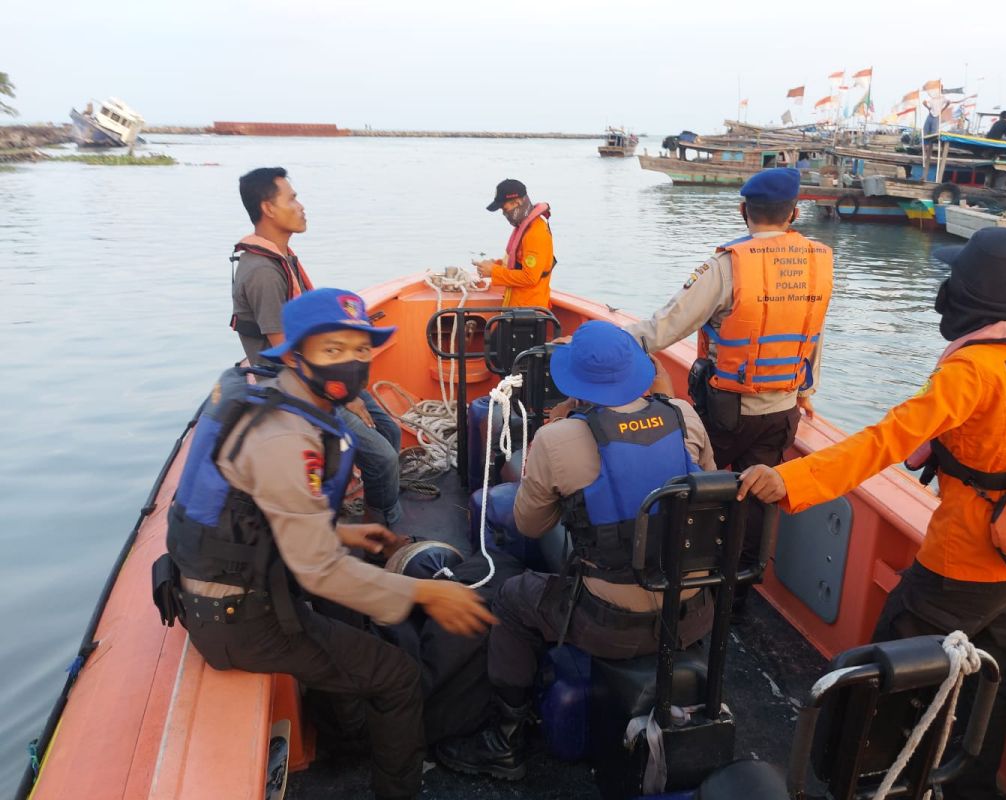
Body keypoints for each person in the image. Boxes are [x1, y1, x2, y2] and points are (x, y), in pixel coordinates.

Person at [738, 228, 1006, 800]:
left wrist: (789, 477)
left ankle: (856, 782)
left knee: (884, 670)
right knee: (991, 685)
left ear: (971, 288)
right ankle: (970, 790)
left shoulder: (972, 371)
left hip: (964, 563)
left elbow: (886, 441)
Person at [159, 288, 497, 800]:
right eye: (332, 350)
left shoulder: (280, 397)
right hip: (242, 616)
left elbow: (256, 512)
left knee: (355, 611)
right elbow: (318, 572)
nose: (353, 362)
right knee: (398, 676)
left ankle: (349, 732)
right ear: (295, 355)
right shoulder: (284, 435)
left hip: (244, 581)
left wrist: (341, 532)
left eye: (360, 350)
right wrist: (428, 594)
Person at [435, 321, 717, 780]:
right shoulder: (685, 416)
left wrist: (559, 435)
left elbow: (530, 522)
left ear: (574, 383)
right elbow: (707, 493)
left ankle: (503, 742)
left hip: (607, 626)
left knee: (512, 598)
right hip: (693, 613)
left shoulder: (558, 437)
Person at [624, 167, 833, 575]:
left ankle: (682, 577)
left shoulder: (728, 266)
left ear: (743, 211)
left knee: (694, 485)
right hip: (783, 410)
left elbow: (663, 328)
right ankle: (736, 593)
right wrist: (807, 392)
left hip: (727, 411)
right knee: (756, 496)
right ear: (794, 213)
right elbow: (814, 332)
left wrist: (609, 344)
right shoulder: (818, 262)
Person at [230, 167, 405, 531]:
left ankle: (379, 506)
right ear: (269, 208)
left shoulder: (283, 257)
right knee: (384, 457)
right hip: (296, 384)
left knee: (388, 428)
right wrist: (343, 395)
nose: (301, 205)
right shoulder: (263, 271)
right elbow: (285, 348)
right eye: (291, 198)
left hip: (318, 370)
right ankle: (382, 532)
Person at [473, 178, 556, 309]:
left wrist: (494, 272)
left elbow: (530, 277)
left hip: (529, 312)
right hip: (516, 308)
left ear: (517, 202)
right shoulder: (524, 227)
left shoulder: (536, 233)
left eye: (504, 208)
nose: (504, 213)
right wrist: (496, 264)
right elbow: (517, 264)